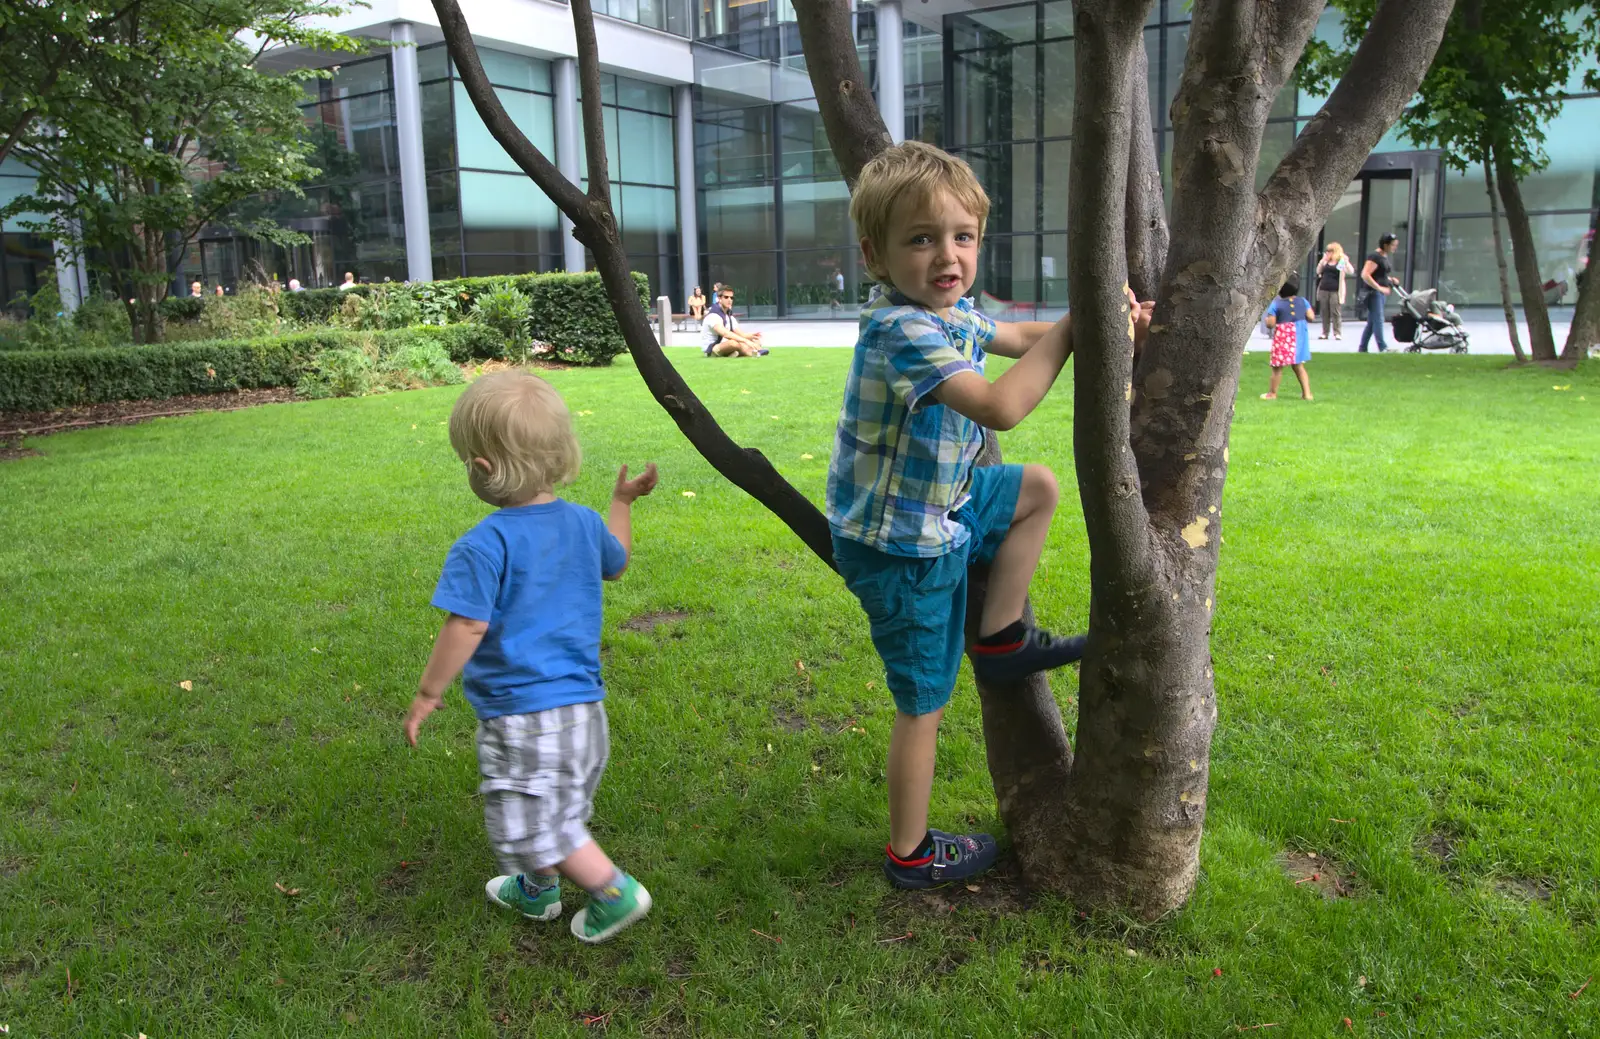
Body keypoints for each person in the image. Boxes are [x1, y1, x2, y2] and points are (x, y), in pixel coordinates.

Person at [825, 140, 1152, 890]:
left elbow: (1024, 338)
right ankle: (910, 852)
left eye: (962, 237)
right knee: (923, 701)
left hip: (946, 506)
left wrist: (1110, 320)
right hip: (902, 546)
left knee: (1036, 487)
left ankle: (1000, 636)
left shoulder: (950, 312)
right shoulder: (900, 330)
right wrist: (1076, 326)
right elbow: (1003, 403)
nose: (948, 255)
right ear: (876, 255)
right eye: (921, 238)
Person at [404, 372, 660, 944]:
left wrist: (428, 693)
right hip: (585, 713)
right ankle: (538, 890)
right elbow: (615, 562)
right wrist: (620, 503)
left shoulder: (483, 544)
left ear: (485, 468)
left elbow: (468, 623)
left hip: (524, 717)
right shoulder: (583, 523)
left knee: (531, 826)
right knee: (552, 806)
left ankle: (612, 891)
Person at [1261, 280, 1314, 401]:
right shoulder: (1303, 301)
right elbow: (1311, 316)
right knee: (1298, 366)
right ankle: (1307, 394)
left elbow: (1271, 324)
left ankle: (1272, 394)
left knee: (1277, 367)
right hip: (1300, 338)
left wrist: (1267, 321)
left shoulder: (1276, 304)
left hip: (1284, 338)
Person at [1357, 233, 1400, 353]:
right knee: (1378, 319)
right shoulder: (1374, 256)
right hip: (1373, 293)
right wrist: (1379, 288)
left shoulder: (1384, 256)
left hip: (1379, 293)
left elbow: (1380, 275)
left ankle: (1362, 348)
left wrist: (1390, 280)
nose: (1394, 248)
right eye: (1393, 245)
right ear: (1385, 245)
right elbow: (1365, 274)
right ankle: (1383, 347)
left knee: (1371, 322)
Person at [702, 287, 767, 357]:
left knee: (754, 341)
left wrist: (751, 336)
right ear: (719, 298)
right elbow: (725, 334)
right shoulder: (713, 315)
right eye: (726, 297)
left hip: (724, 343)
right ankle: (752, 353)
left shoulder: (729, 315)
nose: (729, 300)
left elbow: (741, 334)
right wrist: (746, 341)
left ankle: (733, 353)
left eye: (731, 298)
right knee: (734, 343)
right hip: (712, 348)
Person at [1314, 242, 1353, 339]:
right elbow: (1318, 271)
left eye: (1330, 251)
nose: (1328, 253)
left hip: (1335, 290)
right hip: (1324, 288)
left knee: (1335, 312)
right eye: (1327, 251)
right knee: (1324, 311)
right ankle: (1325, 332)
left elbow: (1350, 271)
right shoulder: (1325, 261)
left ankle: (1337, 332)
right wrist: (1323, 261)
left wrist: (1346, 262)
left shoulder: (1341, 261)